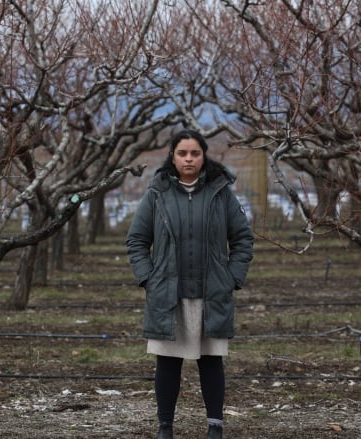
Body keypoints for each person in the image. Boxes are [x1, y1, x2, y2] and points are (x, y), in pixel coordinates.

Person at [126, 129, 254, 439]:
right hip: (169, 293)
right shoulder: (157, 193)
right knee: (167, 363)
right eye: (182, 153)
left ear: (203, 155)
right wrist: (148, 277)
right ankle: (165, 427)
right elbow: (137, 240)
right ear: (172, 156)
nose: (189, 159)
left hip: (211, 293)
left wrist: (232, 277)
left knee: (211, 362)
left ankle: (215, 426)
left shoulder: (221, 192)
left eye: (195, 153)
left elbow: (242, 239)